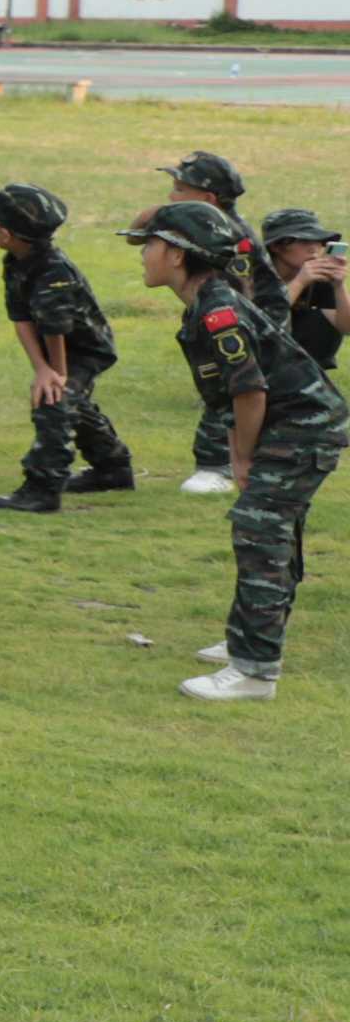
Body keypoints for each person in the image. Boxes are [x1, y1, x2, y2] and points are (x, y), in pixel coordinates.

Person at [125, 198, 342, 704]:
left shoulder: (218, 312)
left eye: (151, 246)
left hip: (302, 428)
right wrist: (239, 448)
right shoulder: (208, 302)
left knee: (261, 532)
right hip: (291, 426)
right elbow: (229, 396)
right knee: (266, 530)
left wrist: (240, 459)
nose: (143, 255)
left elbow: (251, 393)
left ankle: (255, 670)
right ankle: (249, 641)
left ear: (178, 255)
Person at [0, 184, 130, 511]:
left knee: (53, 403)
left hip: (85, 349)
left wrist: (56, 375)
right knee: (70, 402)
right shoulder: (16, 260)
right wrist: (41, 368)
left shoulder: (53, 271)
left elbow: (55, 327)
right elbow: (21, 318)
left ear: (5, 233)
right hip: (56, 346)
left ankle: (43, 488)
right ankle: (113, 468)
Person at [155, 151, 271, 489]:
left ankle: (217, 466)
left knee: (233, 385)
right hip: (235, 316)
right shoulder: (208, 228)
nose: (170, 196)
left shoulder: (232, 237)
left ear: (208, 199)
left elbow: (241, 296)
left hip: (256, 324)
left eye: (179, 190)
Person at [265, 208, 346, 371]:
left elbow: (347, 327)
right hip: (256, 361)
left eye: (319, 241)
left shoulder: (319, 276)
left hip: (302, 368)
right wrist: (300, 282)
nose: (314, 248)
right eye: (304, 241)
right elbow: (260, 322)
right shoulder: (256, 276)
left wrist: (339, 287)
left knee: (322, 317)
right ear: (277, 246)